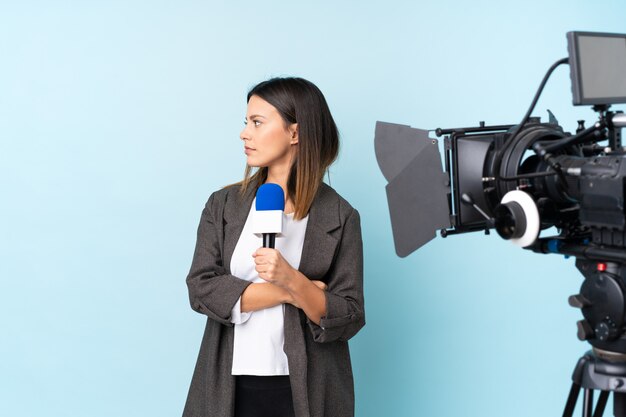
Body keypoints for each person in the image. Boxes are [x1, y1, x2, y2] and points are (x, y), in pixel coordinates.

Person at [183, 77, 365, 417]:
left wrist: (291, 278)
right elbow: (201, 288)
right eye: (246, 122)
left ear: (294, 133)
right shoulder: (222, 206)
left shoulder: (340, 216)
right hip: (229, 383)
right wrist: (291, 291)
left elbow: (349, 315)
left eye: (257, 122)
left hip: (308, 388)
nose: (244, 133)